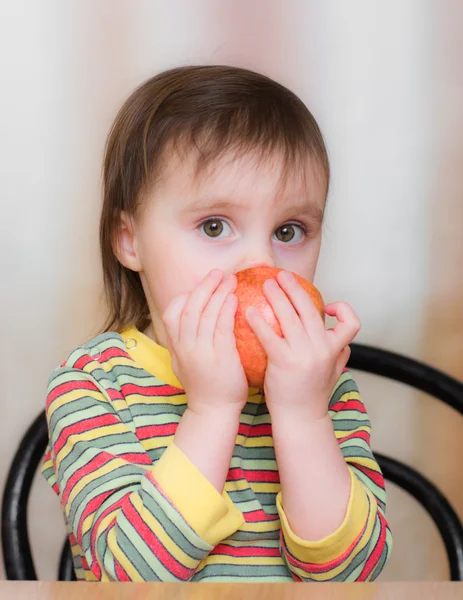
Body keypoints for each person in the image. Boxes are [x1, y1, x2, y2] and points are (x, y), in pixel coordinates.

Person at [41, 64, 392, 582]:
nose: (261, 263)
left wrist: (302, 418)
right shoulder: (92, 386)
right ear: (129, 241)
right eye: (214, 225)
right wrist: (211, 410)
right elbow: (131, 578)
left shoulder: (321, 387)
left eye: (290, 231)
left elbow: (352, 577)